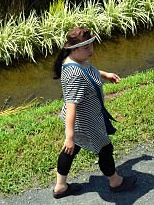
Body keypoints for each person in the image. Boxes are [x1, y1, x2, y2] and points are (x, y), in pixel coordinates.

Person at [52, 27, 136, 199]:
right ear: (73, 49)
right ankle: (115, 181)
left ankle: (60, 187)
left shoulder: (78, 61)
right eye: (86, 47)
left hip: (85, 119)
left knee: (71, 150)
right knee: (105, 148)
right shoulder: (73, 73)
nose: (91, 50)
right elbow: (71, 106)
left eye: (92, 45)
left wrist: (105, 75)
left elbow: (90, 70)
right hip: (85, 122)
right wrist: (69, 135)